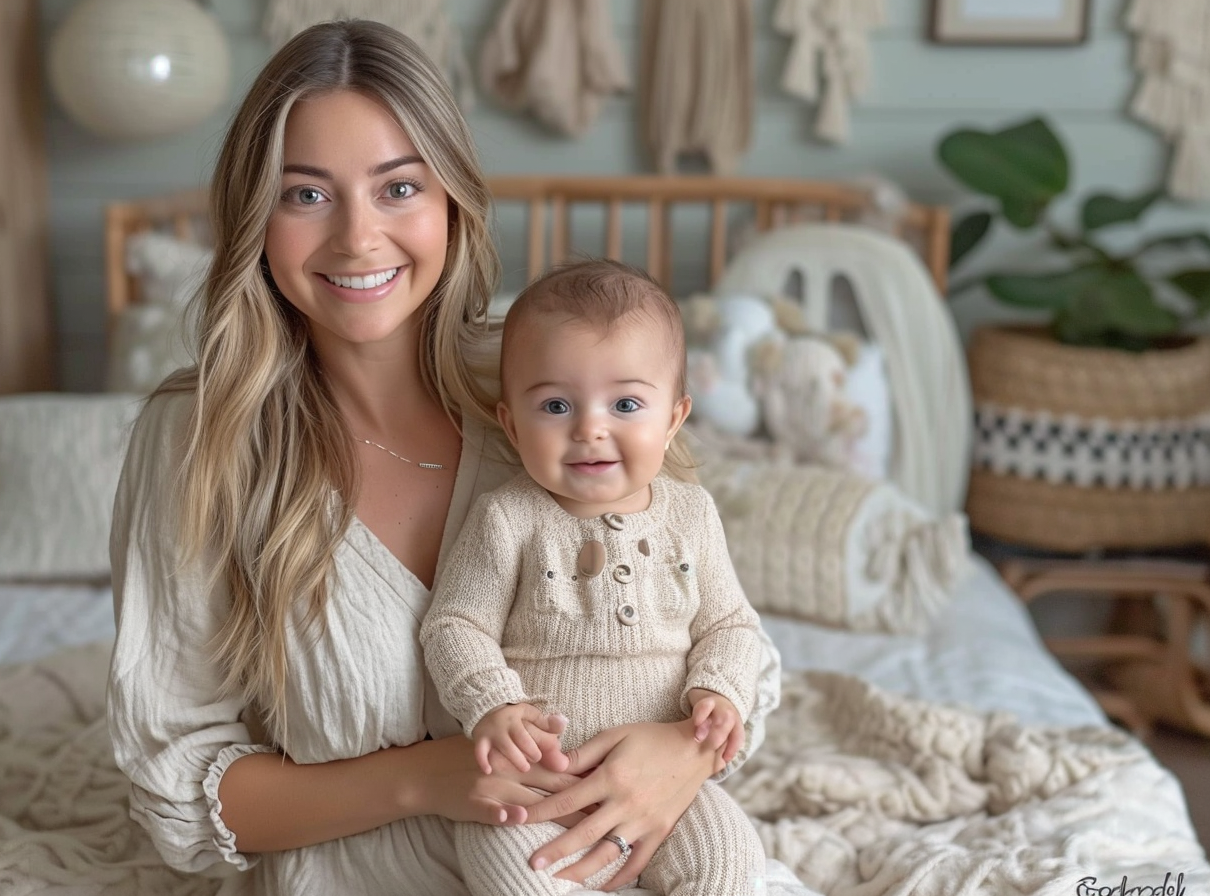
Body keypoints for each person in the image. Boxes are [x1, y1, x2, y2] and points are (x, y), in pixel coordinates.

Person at [106, 19, 781, 896]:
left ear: (452, 201)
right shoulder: (201, 441)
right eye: (305, 195)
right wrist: (427, 777)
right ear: (253, 217)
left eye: (398, 189)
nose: (357, 238)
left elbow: (721, 637)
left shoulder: (554, 389)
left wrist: (676, 759)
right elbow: (183, 787)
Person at [421, 259, 775, 895]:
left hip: (672, 784)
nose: (590, 427)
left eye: (627, 403)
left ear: (673, 418)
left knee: (730, 865)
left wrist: (720, 694)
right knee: (519, 879)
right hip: (534, 784)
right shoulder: (507, 517)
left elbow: (729, 623)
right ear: (510, 423)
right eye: (556, 404)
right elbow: (454, 623)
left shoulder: (690, 512)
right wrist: (493, 702)